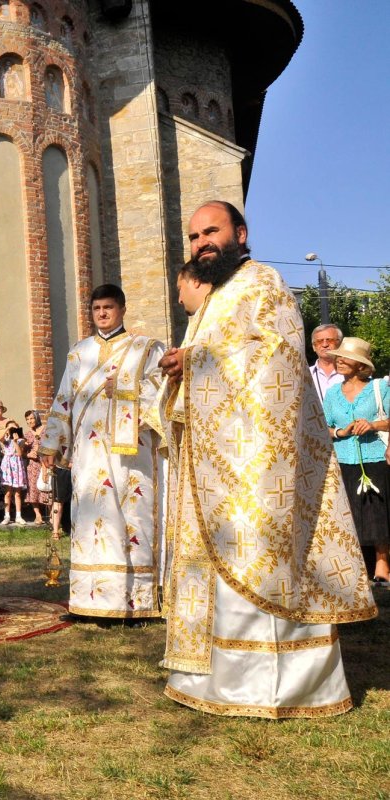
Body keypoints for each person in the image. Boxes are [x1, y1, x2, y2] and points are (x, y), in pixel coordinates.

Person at [154, 200, 375, 717]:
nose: (201, 243)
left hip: (261, 460)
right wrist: (182, 370)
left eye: (211, 232)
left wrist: (197, 358)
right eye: (193, 237)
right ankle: (212, 684)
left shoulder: (263, 282)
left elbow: (276, 352)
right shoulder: (213, 299)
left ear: (241, 233)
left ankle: (273, 689)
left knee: (265, 557)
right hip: (215, 459)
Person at [39, 283, 166, 622]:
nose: (103, 314)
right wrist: (51, 443)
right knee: (89, 521)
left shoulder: (145, 349)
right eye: (97, 309)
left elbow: (165, 392)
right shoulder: (79, 353)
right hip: (88, 455)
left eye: (109, 307)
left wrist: (128, 389)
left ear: (122, 309)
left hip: (129, 458)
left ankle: (132, 604)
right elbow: (64, 399)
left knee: (129, 520)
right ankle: (89, 602)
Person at [321, 337, 390, 584]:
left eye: (345, 357)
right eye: (338, 357)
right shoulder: (331, 394)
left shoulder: (379, 389)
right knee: (350, 512)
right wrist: (341, 432)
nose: (339, 360)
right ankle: (358, 564)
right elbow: (323, 426)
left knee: (377, 510)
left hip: (375, 458)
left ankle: (383, 565)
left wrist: (373, 425)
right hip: (343, 460)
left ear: (361, 365)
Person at [0, 420, 28, 525]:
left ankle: (18, 516)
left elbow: (19, 454)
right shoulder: (6, 440)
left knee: (18, 493)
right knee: (8, 492)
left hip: (17, 466)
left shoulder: (21, 441)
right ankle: (7, 516)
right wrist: (7, 428)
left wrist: (15, 441)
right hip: (7, 466)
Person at [22, 410, 50, 525]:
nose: (29, 421)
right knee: (33, 488)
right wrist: (28, 454)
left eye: (31, 418)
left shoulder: (46, 430)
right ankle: (38, 515)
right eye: (27, 419)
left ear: (37, 418)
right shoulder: (27, 435)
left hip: (46, 463)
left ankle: (51, 515)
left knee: (48, 488)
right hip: (32, 465)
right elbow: (22, 452)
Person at [308, 324, 345, 405]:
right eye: (319, 341)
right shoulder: (305, 375)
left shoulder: (353, 375)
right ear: (314, 347)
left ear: (339, 344)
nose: (325, 345)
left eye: (329, 340)